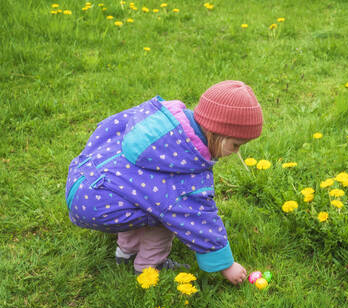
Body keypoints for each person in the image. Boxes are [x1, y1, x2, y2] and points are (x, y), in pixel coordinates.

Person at [65, 80, 263, 285]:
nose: (236, 152)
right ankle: (148, 267)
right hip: (96, 204)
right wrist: (226, 265)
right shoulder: (187, 168)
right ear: (215, 133)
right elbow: (199, 219)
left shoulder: (164, 123)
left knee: (142, 191)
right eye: (235, 145)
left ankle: (126, 252)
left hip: (87, 181)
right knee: (169, 210)